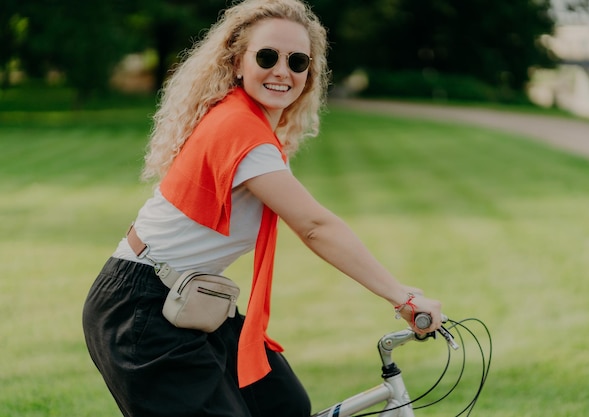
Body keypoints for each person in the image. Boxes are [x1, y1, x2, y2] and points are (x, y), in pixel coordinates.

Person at [82, 0, 443, 416]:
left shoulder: (250, 125)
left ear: (310, 73)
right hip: (141, 310)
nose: (282, 71)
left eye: (297, 61)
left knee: (284, 405)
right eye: (267, 57)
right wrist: (400, 297)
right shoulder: (240, 129)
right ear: (237, 63)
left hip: (186, 296)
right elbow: (314, 226)